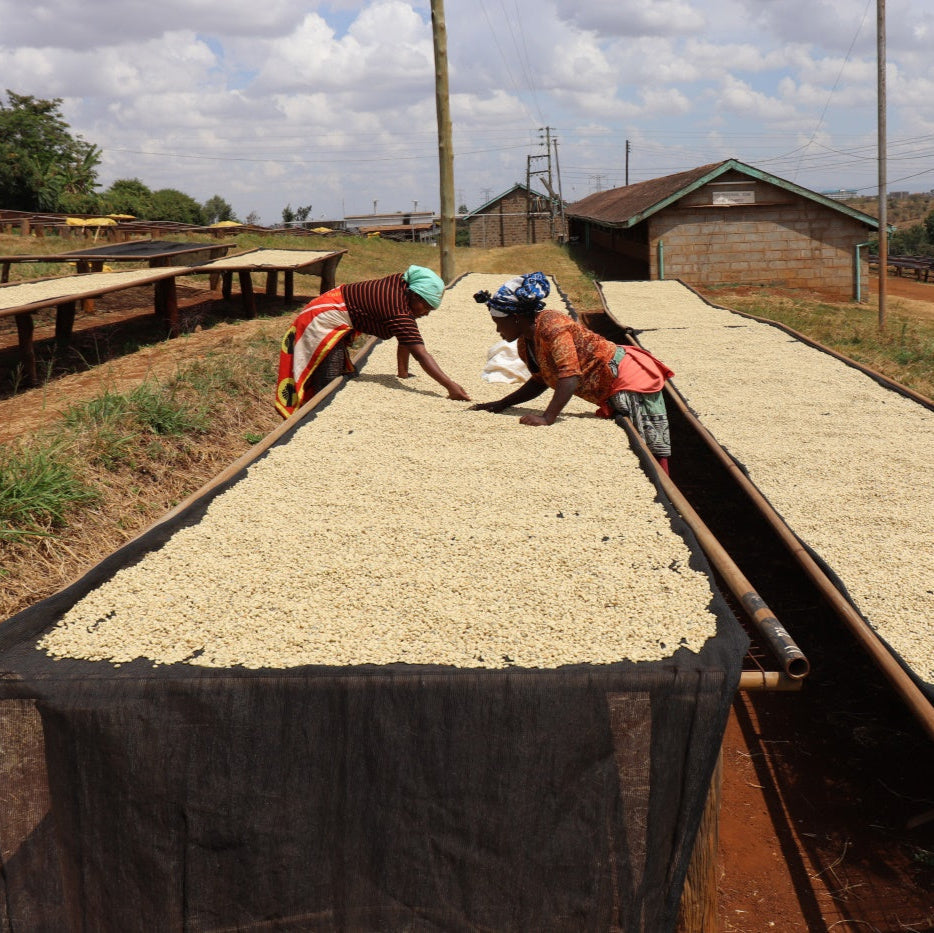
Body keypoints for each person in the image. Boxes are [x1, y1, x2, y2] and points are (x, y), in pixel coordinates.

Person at [470, 272, 674, 473]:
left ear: (516, 318)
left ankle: (665, 486)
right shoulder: (526, 343)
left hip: (628, 377)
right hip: (608, 385)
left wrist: (547, 418)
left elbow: (570, 376)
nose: (498, 331)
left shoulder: (553, 326)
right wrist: (502, 404)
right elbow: (541, 380)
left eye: (498, 324)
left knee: (647, 448)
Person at [275, 265, 470, 417]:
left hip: (331, 308)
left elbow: (405, 338)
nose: (426, 313)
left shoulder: (402, 289)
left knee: (338, 374)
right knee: (328, 379)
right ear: (415, 295)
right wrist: (450, 386)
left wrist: (402, 373)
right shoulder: (397, 308)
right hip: (322, 318)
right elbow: (419, 353)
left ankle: (321, 407)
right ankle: (315, 415)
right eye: (426, 307)